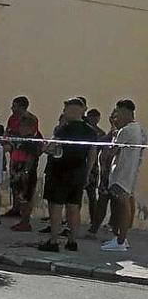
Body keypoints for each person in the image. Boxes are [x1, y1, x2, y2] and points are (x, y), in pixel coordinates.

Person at [38, 98, 98, 252]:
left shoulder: (63, 129)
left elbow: (52, 148)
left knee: (56, 206)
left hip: (59, 171)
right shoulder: (90, 131)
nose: (64, 112)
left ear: (72, 110)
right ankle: (72, 241)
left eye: (66, 109)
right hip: (78, 173)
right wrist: (87, 172)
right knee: (73, 207)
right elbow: (92, 154)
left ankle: (53, 241)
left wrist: (44, 148)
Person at [101, 100, 147, 251]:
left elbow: (112, 151)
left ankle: (120, 241)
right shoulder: (137, 129)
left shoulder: (126, 130)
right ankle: (120, 238)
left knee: (121, 206)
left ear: (125, 111)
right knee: (122, 204)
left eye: (118, 112)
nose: (116, 115)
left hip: (122, 173)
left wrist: (113, 128)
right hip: (129, 172)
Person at [4, 96, 39, 216]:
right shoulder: (12, 118)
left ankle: (25, 214)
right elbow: (7, 133)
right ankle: (15, 208)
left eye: (15, 106)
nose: (12, 108)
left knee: (24, 186)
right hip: (14, 154)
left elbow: (29, 137)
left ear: (22, 107)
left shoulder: (30, 119)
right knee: (14, 182)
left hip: (25, 156)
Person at [9, 114, 42, 232]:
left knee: (25, 197)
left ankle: (25, 222)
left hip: (25, 172)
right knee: (20, 196)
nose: (20, 129)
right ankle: (22, 220)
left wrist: (26, 171)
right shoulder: (20, 138)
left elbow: (31, 157)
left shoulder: (31, 140)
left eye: (22, 126)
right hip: (17, 170)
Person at [89, 111, 120, 235]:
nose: (113, 119)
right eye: (112, 117)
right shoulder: (110, 135)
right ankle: (95, 228)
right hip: (105, 174)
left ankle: (116, 231)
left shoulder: (122, 134)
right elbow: (100, 143)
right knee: (102, 200)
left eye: (115, 117)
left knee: (115, 203)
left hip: (116, 174)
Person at [83, 108, 106, 227]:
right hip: (82, 164)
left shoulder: (100, 133)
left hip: (93, 167)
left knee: (92, 196)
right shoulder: (83, 130)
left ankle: (94, 221)